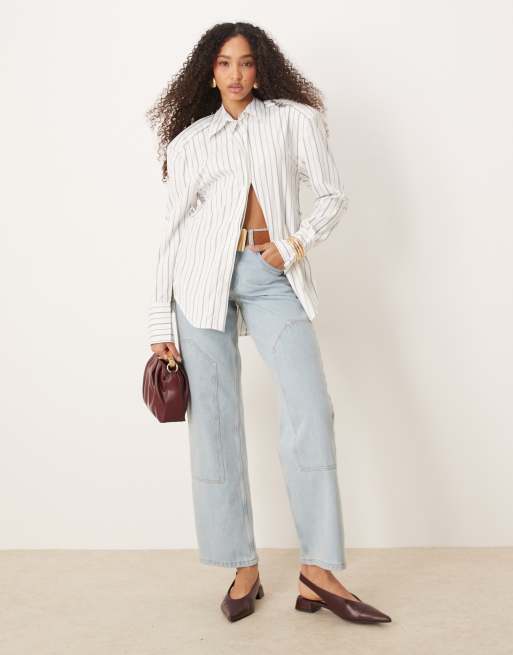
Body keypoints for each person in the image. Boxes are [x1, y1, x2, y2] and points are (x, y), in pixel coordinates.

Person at [145, 22, 392, 624]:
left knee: (311, 406)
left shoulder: (294, 122)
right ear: (210, 73)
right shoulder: (191, 142)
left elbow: (332, 196)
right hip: (199, 283)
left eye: (246, 63)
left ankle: (318, 571)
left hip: (270, 273)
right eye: (224, 64)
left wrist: (293, 244)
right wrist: (159, 320)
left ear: (261, 69)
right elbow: (172, 232)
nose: (236, 74)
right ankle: (242, 567)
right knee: (215, 424)